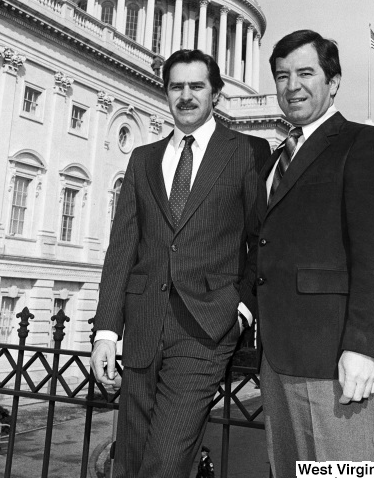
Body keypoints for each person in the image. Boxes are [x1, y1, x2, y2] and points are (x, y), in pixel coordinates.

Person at [91, 48, 270, 478]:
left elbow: (263, 241)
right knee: (129, 459)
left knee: (165, 460)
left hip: (205, 328)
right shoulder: (143, 159)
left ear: (216, 94)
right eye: (176, 87)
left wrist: (242, 310)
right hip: (143, 324)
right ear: (165, 92)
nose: (185, 96)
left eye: (196, 86)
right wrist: (105, 331)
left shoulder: (247, 151)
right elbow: (122, 248)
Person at [253, 29, 374, 471]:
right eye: (282, 76)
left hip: (332, 358)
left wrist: (365, 345)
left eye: (305, 73)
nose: (292, 86)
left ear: (333, 82)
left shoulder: (362, 142)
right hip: (276, 356)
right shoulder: (275, 157)